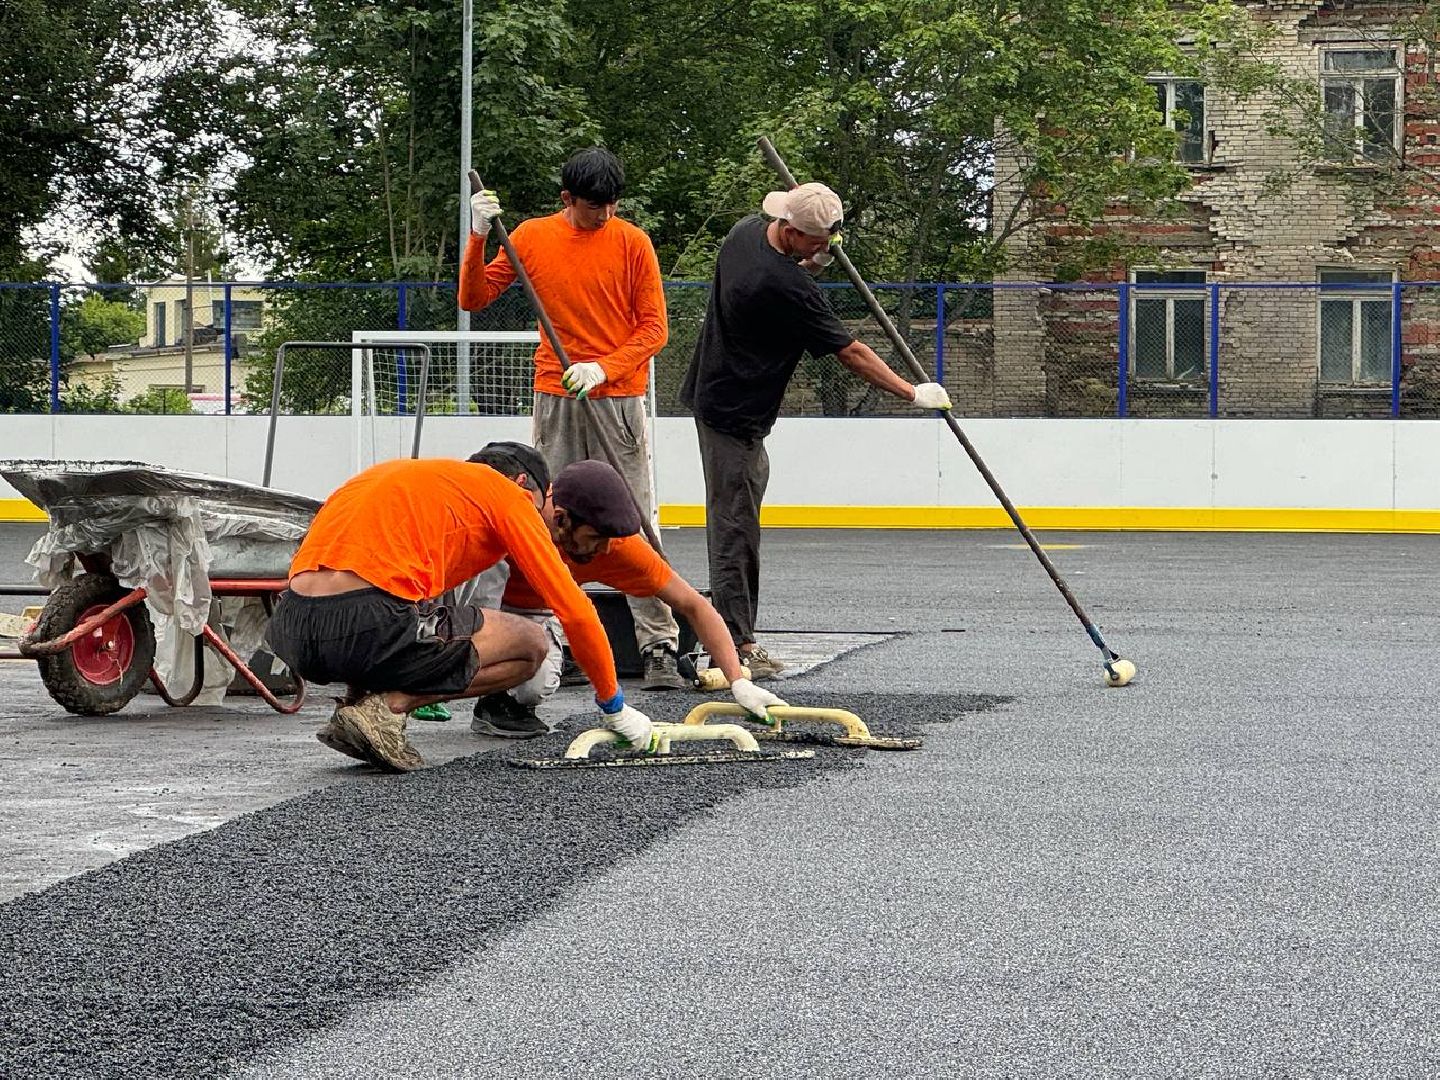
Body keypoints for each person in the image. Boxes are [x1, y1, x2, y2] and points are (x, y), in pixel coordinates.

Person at [679, 181, 952, 677]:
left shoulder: (745, 233)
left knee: (738, 518)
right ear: (790, 232)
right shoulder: (787, 286)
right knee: (735, 529)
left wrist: (813, 259)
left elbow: (788, 270)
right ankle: (737, 645)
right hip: (734, 415)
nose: (824, 248)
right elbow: (852, 353)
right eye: (817, 241)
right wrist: (912, 393)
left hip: (719, 397)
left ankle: (734, 637)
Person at [264, 446, 653, 772]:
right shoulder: (507, 496)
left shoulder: (397, 479)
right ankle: (387, 710)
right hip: (367, 621)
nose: (541, 520)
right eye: (541, 509)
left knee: (399, 615)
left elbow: (356, 592)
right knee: (530, 645)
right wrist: (614, 706)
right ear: (523, 485)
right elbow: (576, 612)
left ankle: (355, 710)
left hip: (292, 629)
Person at [459, 146, 686, 692]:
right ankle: (568, 639)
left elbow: (655, 329)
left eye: (611, 205)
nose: (604, 216)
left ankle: (658, 645)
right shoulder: (532, 237)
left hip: (617, 399)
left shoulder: (632, 242)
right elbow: (473, 298)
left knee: (632, 520)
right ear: (567, 198)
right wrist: (478, 235)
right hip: (555, 393)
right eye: (592, 207)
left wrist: (604, 368)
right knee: (549, 522)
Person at [462, 455, 788, 738]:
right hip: (472, 601)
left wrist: (738, 682)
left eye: (611, 538)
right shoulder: (522, 517)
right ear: (561, 519)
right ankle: (440, 664)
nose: (605, 549)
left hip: (532, 612)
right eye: (596, 537)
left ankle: (496, 702)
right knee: (488, 569)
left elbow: (695, 605)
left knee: (537, 681)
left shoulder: (619, 546)